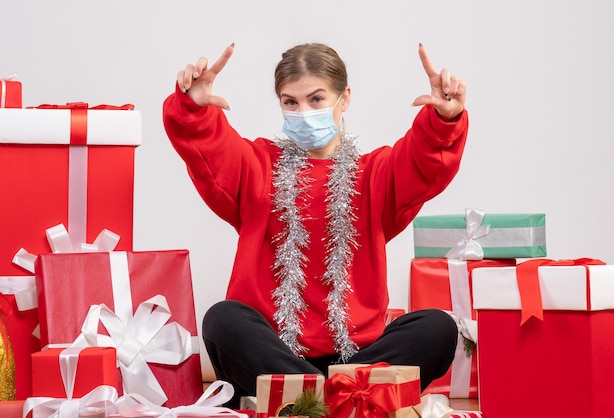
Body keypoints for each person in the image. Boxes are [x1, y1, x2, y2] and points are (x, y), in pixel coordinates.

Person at [162, 42, 468, 406]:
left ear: (345, 99)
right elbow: (211, 151)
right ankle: (341, 402)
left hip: (356, 358)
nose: (303, 111)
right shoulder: (258, 165)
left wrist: (443, 119)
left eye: (316, 99)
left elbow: (421, 162)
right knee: (222, 320)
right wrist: (192, 108)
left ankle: (311, 403)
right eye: (290, 102)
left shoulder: (374, 174)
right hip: (274, 355)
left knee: (439, 327)